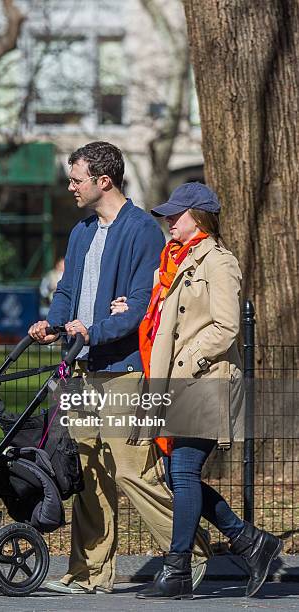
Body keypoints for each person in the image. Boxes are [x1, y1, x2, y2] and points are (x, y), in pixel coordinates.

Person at [28, 142, 211, 595]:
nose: (70, 186)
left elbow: (139, 309)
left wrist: (93, 330)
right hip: (82, 366)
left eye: (77, 179)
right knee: (87, 471)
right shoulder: (81, 231)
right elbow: (68, 290)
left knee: (131, 469)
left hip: (124, 367)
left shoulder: (142, 231)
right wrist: (54, 325)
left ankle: (190, 552)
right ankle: (90, 573)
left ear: (103, 180)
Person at [111, 182, 282, 599]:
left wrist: (187, 362)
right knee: (177, 473)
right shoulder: (172, 262)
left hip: (203, 379)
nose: (169, 220)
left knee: (183, 471)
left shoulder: (218, 262)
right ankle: (249, 541)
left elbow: (226, 326)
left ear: (199, 218)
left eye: (176, 214)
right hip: (175, 381)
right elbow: (164, 321)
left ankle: (178, 569)